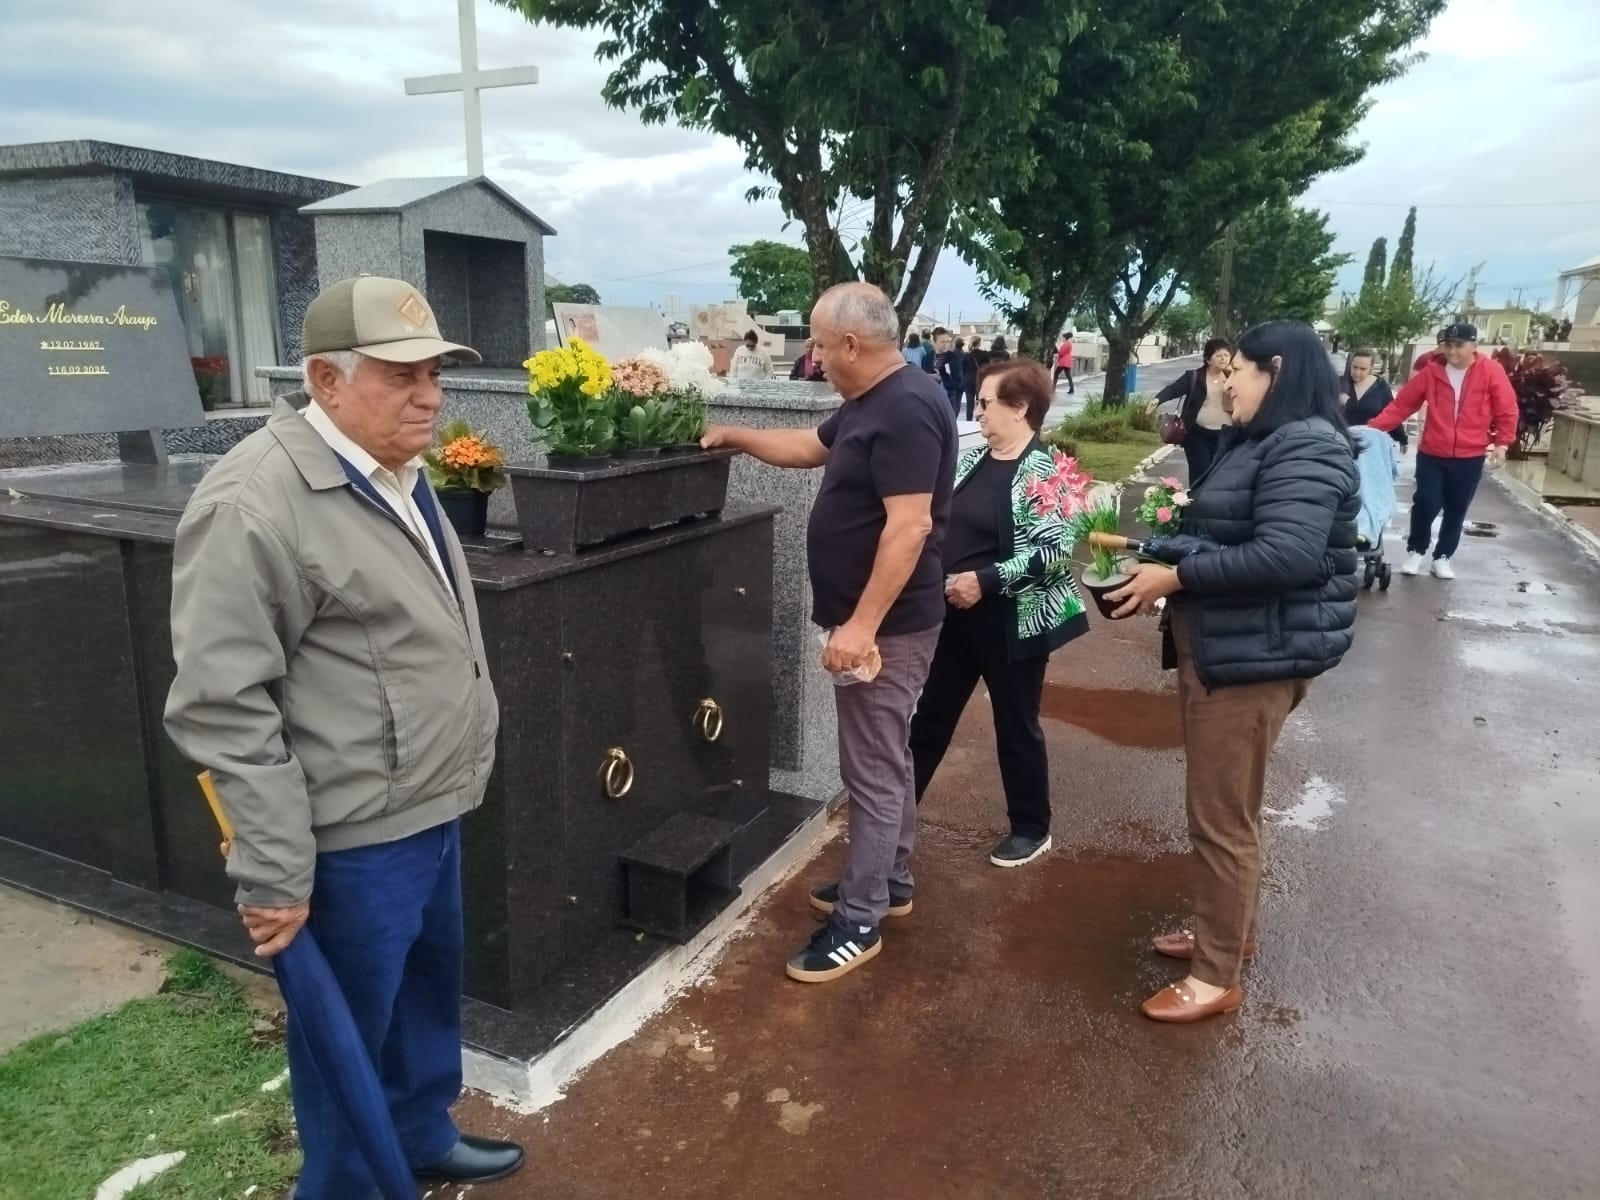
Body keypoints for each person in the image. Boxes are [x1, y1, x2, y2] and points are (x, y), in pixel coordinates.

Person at [164, 276, 523, 1195]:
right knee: (346, 1043)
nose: (431, 395)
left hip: (428, 804)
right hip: (349, 838)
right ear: (325, 380)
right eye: (402, 374)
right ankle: (346, 1184)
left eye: (436, 371)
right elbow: (223, 705)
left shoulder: (395, 468)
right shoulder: (254, 502)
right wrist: (276, 869)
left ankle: (416, 1131)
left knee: (420, 1006)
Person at [1105, 320, 1360, 1023]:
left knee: (1221, 815)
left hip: (1254, 658)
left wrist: (1175, 576)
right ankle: (1226, 930)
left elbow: (1287, 557)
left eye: (1237, 371)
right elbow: (1226, 532)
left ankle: (1216, 974)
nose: (1225, 382)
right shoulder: (1266, 442)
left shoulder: (1305, 445)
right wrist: (1150, 550)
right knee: (1228, 808)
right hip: (1232, 646)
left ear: (1274, 370)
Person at [702, 283, 955, 984]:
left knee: (870, 770)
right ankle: (890, 881)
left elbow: (910, 527)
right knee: (887, 757)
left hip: (888, 629)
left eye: (817, 341)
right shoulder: (874, 401)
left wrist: (862, 626)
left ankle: (859, 919)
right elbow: (809, 448)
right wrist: (736, 437)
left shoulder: (904, 409)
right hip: (880, 623)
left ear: (850, 344)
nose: (812, 353)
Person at [910, 360, 1088, 867]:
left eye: (987, 403)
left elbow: (1054, 550)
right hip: (954, 618)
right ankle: (894, 816)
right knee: (929, 720)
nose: (978, 411)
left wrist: (984, 581)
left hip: (1012, 622)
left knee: (1016, 724)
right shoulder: (970, 461)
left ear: (1020, 407)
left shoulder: (1048, 471)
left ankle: (1032, 827)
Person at [1367, 322, 1518, 580]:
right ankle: (1416, 550)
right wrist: (1371, 429)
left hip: (1470, 455)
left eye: (1459, 346)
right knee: (1426, 501)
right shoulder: (1432, 372)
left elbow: (1506, 408)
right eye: (1448, 344)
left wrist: (1503, 443)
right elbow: (1402, 405)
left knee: (1456, 507)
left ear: (1473, 346)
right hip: (1433, 452)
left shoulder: (1491, 371)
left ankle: (1443, 557)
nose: (1452, 351)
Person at [1154, 338, 1234, 484]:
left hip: (1226, 437)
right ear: (1208, 359)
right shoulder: (1194, 377)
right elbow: (1174, 388)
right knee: (1200, 476)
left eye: (1226, 355)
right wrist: (1157, 399)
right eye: (1219, 355)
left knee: (1221, 477)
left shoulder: (1233, 377)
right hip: (1198, 436)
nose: (1223, 358)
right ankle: (1195, 504)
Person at [1340, 349, 1406, 451]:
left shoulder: (1381, 388)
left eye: (1363, 369)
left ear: (1371, 368)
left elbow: (1390, 414)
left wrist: (1401, 438)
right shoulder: (1338, 384)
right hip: (1342, 442)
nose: (1357, 372)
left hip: (1370, 444)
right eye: (1354, 367)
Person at [934, 326, 969, 419]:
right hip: (931, 399)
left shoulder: (953, 358)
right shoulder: (927, 357)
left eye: (947, 342)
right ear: (935, 342)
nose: (945, 345)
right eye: (942, 342)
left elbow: (958, 380)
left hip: (948, 397)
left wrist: (942, 377)